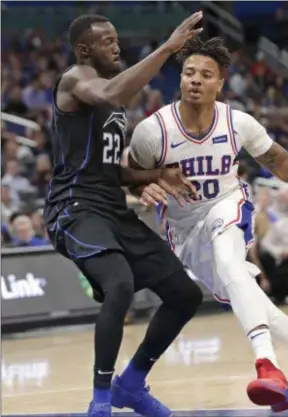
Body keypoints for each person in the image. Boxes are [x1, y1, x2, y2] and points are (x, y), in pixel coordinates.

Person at [128, 37, 288, 412]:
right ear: (180, 79)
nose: (195, 80)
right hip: (186, 235)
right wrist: (142, 190)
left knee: (230, 259)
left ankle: (268, 366)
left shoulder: (237, 122)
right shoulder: (153, 131)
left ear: (220, 83)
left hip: (228, 205)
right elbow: (128, 179)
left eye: (205, 74)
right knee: (257, 303)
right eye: (188, 72)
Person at [44, 13, 206, 417]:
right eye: (107, 41)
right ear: (85, 49)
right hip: (75, 206)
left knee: (185, 295)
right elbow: (113, 93)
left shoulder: (111, 106)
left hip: (112, 209)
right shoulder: (75, 79)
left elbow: (115, 171)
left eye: (117, 39)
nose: (116, 46)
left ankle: (130, 384)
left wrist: (158, 174)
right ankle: (100, 398)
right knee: (119, 285)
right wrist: (168, 49)